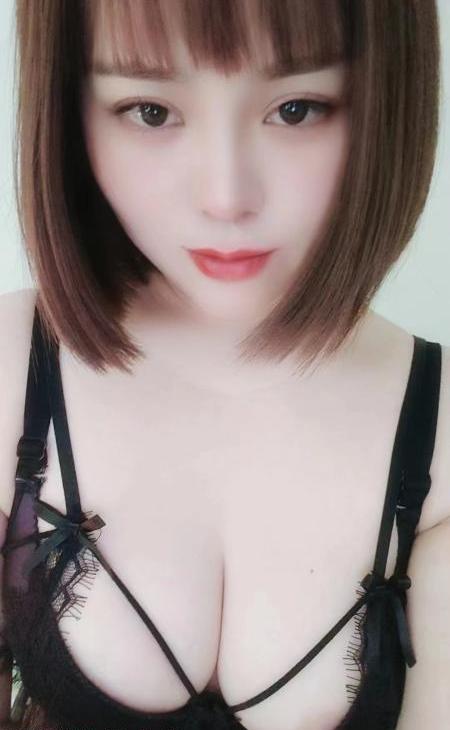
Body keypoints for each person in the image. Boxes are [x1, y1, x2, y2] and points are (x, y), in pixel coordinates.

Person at [0, 1, 448, 728]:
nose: (226, 198)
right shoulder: (11, 365)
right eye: (150, 112)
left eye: (297, 109)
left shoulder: (440, 433)